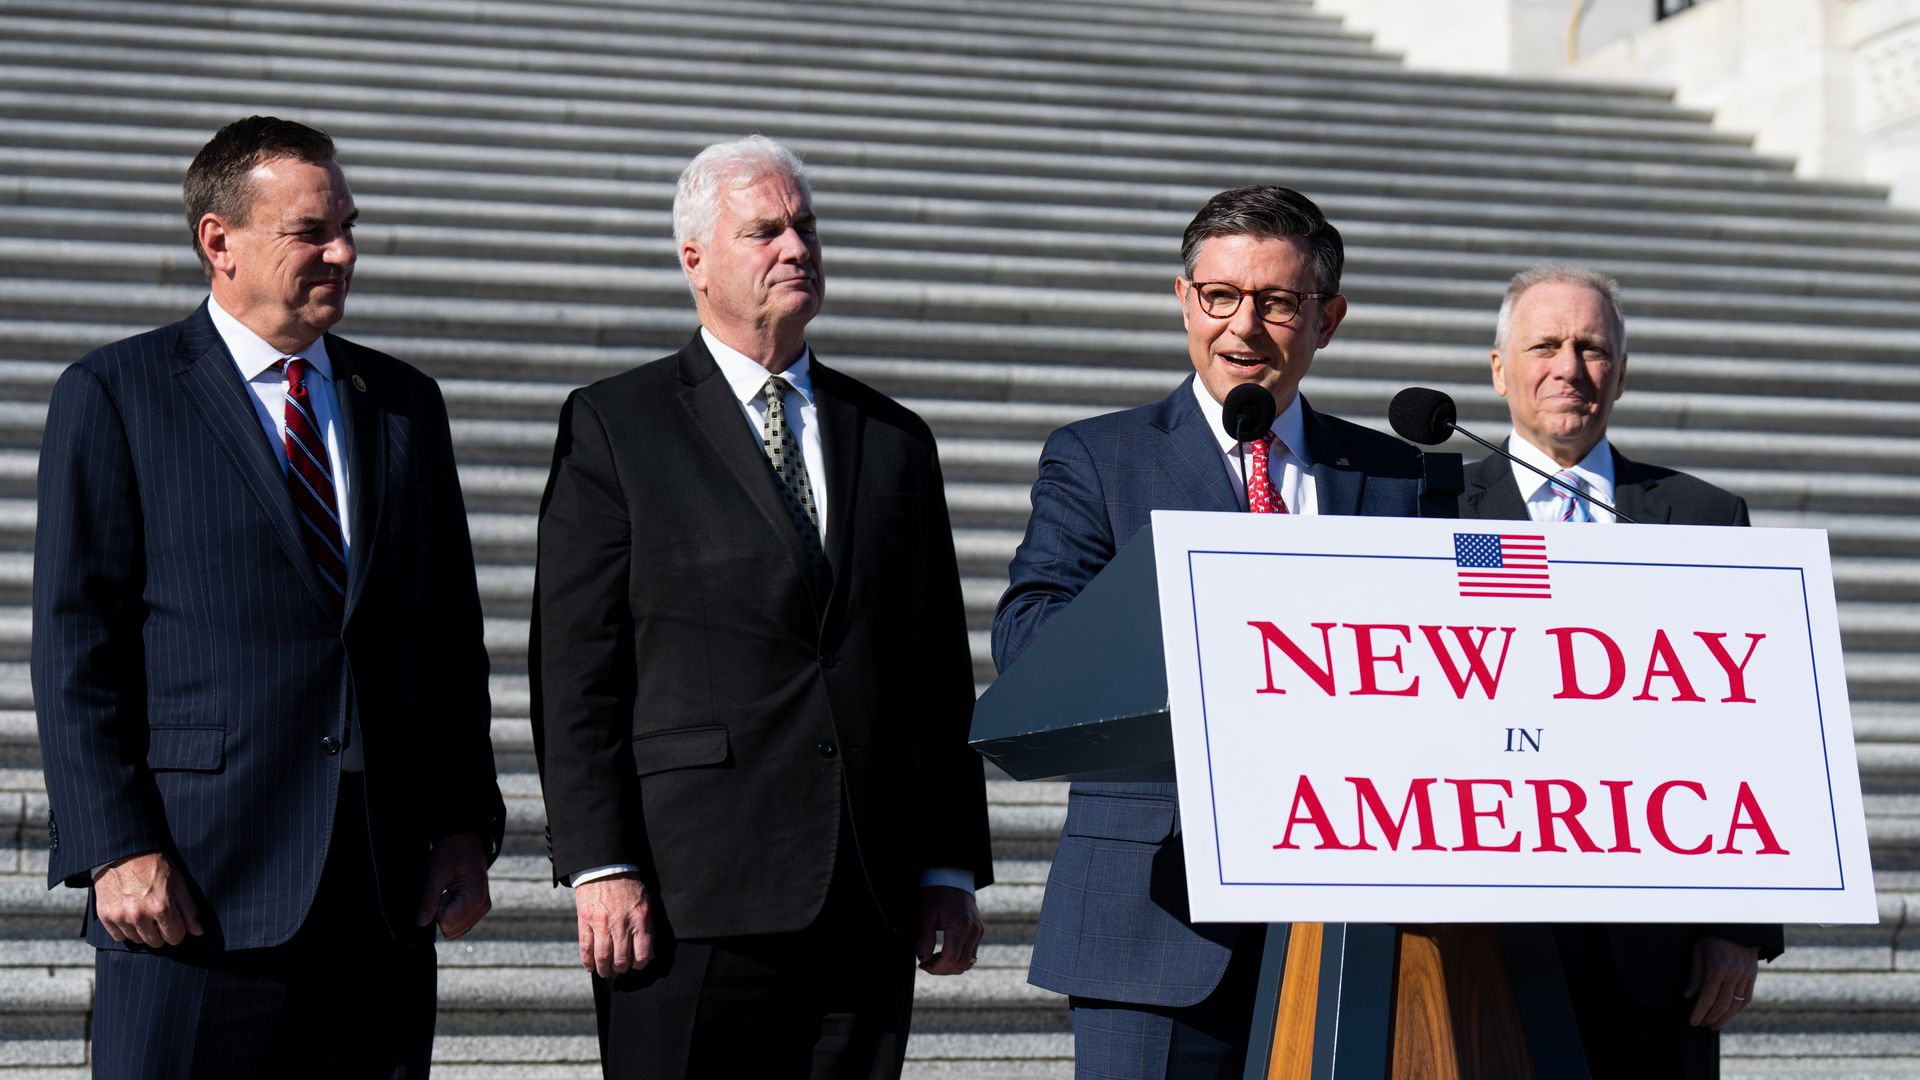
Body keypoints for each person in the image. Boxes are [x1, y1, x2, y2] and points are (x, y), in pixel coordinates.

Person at [33, 115, 503, 1078]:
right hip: (192, 891)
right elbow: (75, 642)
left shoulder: (404, 403)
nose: (344, 252)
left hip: (378, 897)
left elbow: (447, 639)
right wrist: (115, 845)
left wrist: (463, 825)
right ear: (220, 242)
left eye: (349, 227)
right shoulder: (117, 393)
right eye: (312, 233)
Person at [531, 135, 993, 1079]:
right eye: (765, 231)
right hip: (690, 891)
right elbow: (576, 668)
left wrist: (947, 867)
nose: (796, 248)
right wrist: (599, 863)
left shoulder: (895, 438)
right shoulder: (618, 425)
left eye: (806, 226)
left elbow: (938, 669)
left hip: (867, 889)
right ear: (695, 260)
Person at [992, 185, 1423, 1079]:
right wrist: (1217, 617)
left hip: (1352, 918)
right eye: (1220, 296)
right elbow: (1029, 641)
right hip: (1156, 914)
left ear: (1328, 319)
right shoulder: (1100, 457)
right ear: (1185, 299)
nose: (1244, 327)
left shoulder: (1396, 476)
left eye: (1277, 302)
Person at [1461, 262, 1785, 1078]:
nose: (1569, 368)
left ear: (1621, 372)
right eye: (1544, 346)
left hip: (1657, 961)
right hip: (1481, 948)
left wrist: (1741, 926)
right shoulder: (1430, 512)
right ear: (1500, 369)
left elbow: (1749, 729)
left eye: (1591, 348)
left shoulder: (1707, 520)